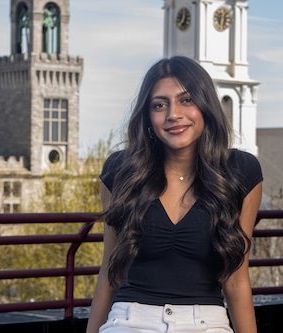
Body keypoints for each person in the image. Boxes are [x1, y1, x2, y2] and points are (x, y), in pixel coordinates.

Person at [86, 56, 263, 333]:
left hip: (206, 323)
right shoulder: (121, 171)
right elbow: (110, 270)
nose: (173, 114)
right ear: (147, 115)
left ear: (206, 106)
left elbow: (237, 279)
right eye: (160, 105)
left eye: (187, 100)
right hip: (130, 320)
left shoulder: (240, 171)